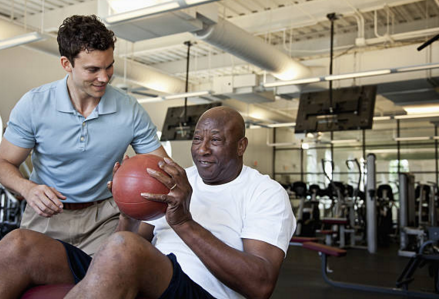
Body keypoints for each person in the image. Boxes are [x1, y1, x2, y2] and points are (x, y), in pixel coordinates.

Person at [0, 106, 295, 299]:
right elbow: (124, 245)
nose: (202, 150)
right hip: (147, 276)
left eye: (215, 140)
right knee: (19, 244)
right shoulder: (175, 179)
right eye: (196, 140)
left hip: (200, 292)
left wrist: (183, 223)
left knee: (124, 249)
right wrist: (126, 210)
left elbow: (260, 285)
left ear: (241, 145)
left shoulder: (265, 193)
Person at [0, 15, 168, 256]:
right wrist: (27, 189)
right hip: (46, 216)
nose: (104, 77)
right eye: (92, 69)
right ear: (66, 64)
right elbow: (4, 162)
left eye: (109, 66)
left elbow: (162, 166)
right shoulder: (34, 104)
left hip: (104, 218)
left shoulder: (129, 109)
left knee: (105, 283)